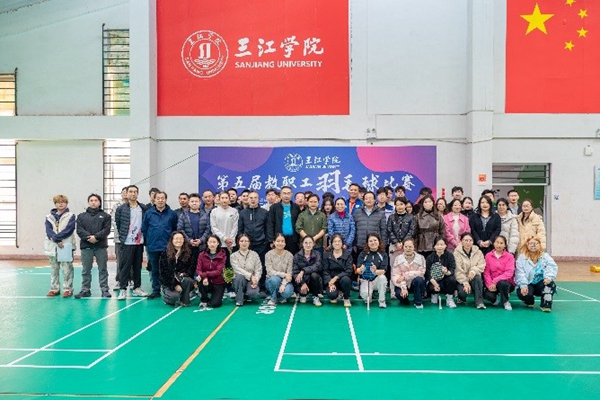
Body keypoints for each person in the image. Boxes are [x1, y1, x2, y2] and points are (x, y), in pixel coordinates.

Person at [142, 190, 178, 299]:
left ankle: (168, 288)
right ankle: (156, 290)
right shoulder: (149, 213)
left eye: (162, 198)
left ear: (166, 200)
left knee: (168, 269)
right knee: (155, 269)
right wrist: (148, 242)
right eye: (158, 198)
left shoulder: (172, 214)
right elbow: (144, 229)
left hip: (167, 248)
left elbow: (175, 230)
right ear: (154, 200)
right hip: (152, 247)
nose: (160, 200)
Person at [75, 194, 112, 299]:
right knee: (86, 270)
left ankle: (104, 289)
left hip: (101, 246)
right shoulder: (81, 216)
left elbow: (106, 230)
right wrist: (89, 237)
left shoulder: (106, 216)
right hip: (86, 246)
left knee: (102, 269)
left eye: (96, 200)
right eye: (91, 200)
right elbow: (79, 230)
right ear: (88, 202)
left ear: (99, 202)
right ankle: (85, 290)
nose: (93, 202)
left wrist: (96, 237)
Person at [115, 185, 148, 300]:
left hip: (139, 242)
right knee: (125, 266)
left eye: (135, 192)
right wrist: (124, 236)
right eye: (131, 191)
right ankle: (123, 289)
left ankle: (137, 288)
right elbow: (118, 224)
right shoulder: (121, 209)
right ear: (127, 193)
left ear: (137, 194)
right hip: (127, 242)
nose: (133, 194)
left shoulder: (143, 208)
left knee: (137, 266)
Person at [43, 194, 77, 297]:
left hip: (65, 245)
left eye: (63, 202)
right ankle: (54, 288)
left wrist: (57, 238)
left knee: (67, 268)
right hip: (52, 245)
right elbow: (48, 231)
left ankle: (68, 289)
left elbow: (69, 230)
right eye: (58, 202)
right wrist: (56, 240)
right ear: (55, 204)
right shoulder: (49, 217)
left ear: (66, 203)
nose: (60, 204)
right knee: (54, 268)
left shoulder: (71, 216)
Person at [515, 236, 558, 312]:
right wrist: (523, 285)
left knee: (550, 285)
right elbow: (520, 273)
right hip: (528, 283)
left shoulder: (545, 256)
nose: (533, 245)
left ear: (539, 245)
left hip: (541, 283)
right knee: (525, 294)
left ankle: (545, 304)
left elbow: (552, 266)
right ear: (527, 245)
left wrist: (548, 277)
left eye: (536, 243)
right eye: (531, 243)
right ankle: (529, 301)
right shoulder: (521, 258)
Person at [159, 231, 195, 306]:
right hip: (169, 282)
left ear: (184, 240)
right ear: (172, 240)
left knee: (188, 280)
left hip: (182, 280)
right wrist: (174, 284)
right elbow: (163, 273)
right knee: (174, 297)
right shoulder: (165, 253)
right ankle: (167, 296)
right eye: (176, 238)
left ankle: (184, 300)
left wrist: (184, 274)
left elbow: (191, 269)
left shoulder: (189, 253)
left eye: (181, 238)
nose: (178, 240)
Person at [177, 193, 211, 268]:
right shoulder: (183, 215)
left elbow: (208, 229)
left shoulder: (205, 215)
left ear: (200, 202)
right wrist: (189, 240)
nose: (194, 203)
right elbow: (180, 229)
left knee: (201, 267)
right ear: (189, 202)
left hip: (202, 246)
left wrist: (201, 240)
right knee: (188, 267)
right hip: (187, 246)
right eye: (192, 201)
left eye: (196, 201)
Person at [391, 238, 426, 308]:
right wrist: (403, 287)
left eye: (410, 246)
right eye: (406, 246)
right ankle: (405, 300)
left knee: (419, 280)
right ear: (403, 247)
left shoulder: (421, 258)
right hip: (402, 284)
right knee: (399, 295)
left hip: (415, 283)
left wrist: (405, 276)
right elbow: (395, 275)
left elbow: (421, 272)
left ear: (414, 247)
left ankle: (418, 302)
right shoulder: (398, 258)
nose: (408, 249)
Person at [356, 233, 389, 308]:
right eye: (370, 241)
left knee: (382, 278)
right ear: (367, 243)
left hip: (377, 279)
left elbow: (383, 271)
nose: (373, 242)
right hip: (366, 280)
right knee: (365, 295)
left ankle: (382, 300)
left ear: (379, 241)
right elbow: (358, 270)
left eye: (375, 240)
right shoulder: (363, 254)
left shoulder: (383, 254)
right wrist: (361, 269)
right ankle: (368, 297)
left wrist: (375, 271)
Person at [483, 235, 516, 310]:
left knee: (502, 283)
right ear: (493, 243)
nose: (499, 245)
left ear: (505, 245)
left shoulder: (510, 256)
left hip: (506, 283)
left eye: (501, 243)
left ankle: (505, 301)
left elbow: (509, 273)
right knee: (487, 295)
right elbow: (486, 272)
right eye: (497, 242)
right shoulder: (488, 256)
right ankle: (495, 299)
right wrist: (490, 284)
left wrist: (495, 281)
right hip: (492, 284)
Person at [454, 233, 486, 309]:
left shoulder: (478, 252)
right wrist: (465, 282)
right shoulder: (456, 253)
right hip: (461, 279)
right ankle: (461, 298)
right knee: (463, 293)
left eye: (470, 240)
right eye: (466, 240)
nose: (468, 242)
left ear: (473, 241)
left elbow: (482, 265)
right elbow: (458, 270)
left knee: (477, 277)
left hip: (473, 277)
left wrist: (473, 271)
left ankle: (479, 302)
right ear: (461, 241)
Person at [238, 190, 269, 266]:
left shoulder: (264, 212)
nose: (253, 200)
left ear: (258, 200)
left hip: (261, 245)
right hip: (247, 245)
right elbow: (240, 229)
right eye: (251, 198)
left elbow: (267, 229)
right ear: (248, 199)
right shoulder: (243, 213)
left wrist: (266, 242)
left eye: (255, 198)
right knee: (248, 265)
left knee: (261, 265)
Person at [267, 185, 301, 254]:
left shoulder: (296, 207)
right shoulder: (274, 207)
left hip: (293, 240)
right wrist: (271, 240)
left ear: (291, 195)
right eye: (284, 193)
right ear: (280, 195)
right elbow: (270, 224)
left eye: (288, 193)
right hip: (279, 240)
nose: (286, 196)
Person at [196, 234, 227, 309]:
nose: (212, 244)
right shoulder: (201, 254)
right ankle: (204, 299)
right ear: (207, 243)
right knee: (199, 280)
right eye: (210, 242)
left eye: (214, 242)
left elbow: (218, 271)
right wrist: (204, 277)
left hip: (218, 282)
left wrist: (204, 275)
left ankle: (217, 296)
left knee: (215, 304)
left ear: (218, 243)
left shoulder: (222, 255)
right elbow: (198, 269)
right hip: (206, 281)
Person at [425, 237, 457, 308]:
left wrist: (447, 272)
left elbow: (452, 269)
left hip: (445, 281)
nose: (439, 247)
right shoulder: (430, 257)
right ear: (434, 246)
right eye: (437, 244)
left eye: (442, 244)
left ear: (445, 246)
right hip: (434, 281)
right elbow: (428, 273)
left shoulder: (450, 256)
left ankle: (449, 299)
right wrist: (435, 284)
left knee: (452, 279)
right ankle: (434, 294)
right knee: (431, 288)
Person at [230, 234, 262, 306]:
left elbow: (258, 269)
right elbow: (237, 269)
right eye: (241, 241)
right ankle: (239, 299)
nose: (244, 243)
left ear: (249, 243)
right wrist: (251, 276)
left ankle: (246, 296)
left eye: (246, 241)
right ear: (238, 242)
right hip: (239, 280)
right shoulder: (233, 256)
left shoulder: (255, 254)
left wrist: (256, 280)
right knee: (239, 277)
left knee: (253, 293)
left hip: (251, 280)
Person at [322, 233, 353, 307]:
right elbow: (325, 271)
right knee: (332, 296)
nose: (337, 243)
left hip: (343, 279)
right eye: (335, 241)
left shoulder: (348, 255)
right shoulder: (327, 255)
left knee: (346, 280)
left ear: (342, 243)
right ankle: (337, 292)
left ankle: (346, 297)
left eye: (339, 241)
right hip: (331, 280)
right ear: (332, 243)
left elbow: (349, 270)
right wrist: (330, 282)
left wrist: (336, 277)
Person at [292, 236, 323, 306]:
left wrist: (303, 271)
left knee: (314, 275)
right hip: (302, 281)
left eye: (310, 243)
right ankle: (303, 294)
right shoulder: (297, 256)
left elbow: (317, 266)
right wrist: (302, 283)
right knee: (303, 295)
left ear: (313, 244)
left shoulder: (317, 254)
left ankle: (315, 296)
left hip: (314, 281)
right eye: (306, 243)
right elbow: (295, 272)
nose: (308, 245)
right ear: (302, 244)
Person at [265, 233, 295, 306]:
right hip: (271, 280)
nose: (280, 243)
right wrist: (284, 274)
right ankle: (273, 298)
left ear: (285, 243)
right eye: (278, 241)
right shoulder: (268, 255)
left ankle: (280, 296)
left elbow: (289, 273)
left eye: (282, 241)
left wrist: (283, 284)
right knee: (275, 280)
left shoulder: (289, 255)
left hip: (285, 281)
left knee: (287, 292)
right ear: (274, 242)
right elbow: (269, 271)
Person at [387, 196, 416, 265]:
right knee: (394, 265)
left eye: (401, 204)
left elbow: (412, 230)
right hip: (394, 245)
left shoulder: (411, 217)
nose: (399, 207)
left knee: (406, 265)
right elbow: (389, 230)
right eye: (397, 205)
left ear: (405, 205)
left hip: (407, 245)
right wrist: (396, 242)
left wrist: (403, 242)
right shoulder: (391, 217)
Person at [414, 195, 445, 259]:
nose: (428, 204)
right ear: (423, 204)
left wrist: (440, 242)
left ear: (433, 203)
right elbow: (415, 232)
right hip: (422, 245)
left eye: (429, 202)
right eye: (425, 202)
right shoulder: (418, 217)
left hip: (435, 244)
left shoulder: (438, 216)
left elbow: (442, 231)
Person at [111, 186, 128, 291]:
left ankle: (131, 280)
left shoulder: (134, 205)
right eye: (123, 192)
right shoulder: (116, 205)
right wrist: (122, 233)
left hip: (131, 239)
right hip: (119, 238)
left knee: (131, 261)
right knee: (120, 260)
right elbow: (114, 220)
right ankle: (119, 280)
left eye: (127, 192)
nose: (125, 194)